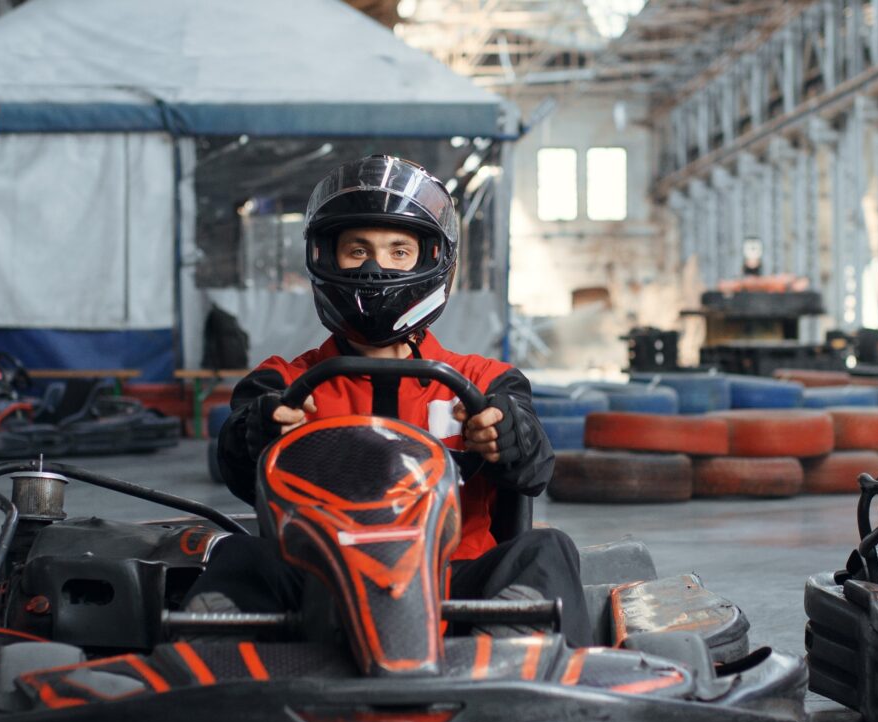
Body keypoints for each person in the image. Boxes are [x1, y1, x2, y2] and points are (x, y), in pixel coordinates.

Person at [194, 155, 592, 645]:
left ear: (429, 260)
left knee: (548, 549)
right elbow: (235, 468)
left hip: (455, 589)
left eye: (397, 252)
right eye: (357, 251)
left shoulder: (484, 380)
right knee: (237, 554)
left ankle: (507, 650)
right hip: (319, 587)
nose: (376, 269)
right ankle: (215, 670)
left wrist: (507, 435)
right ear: (326, 257)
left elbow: (534, 470)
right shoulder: (282, 383)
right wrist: (260, 432)